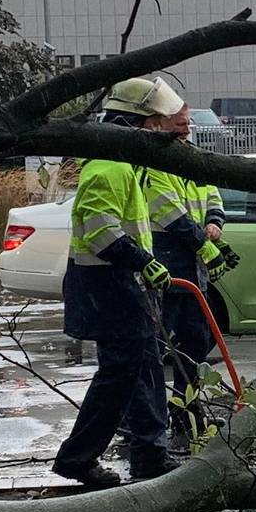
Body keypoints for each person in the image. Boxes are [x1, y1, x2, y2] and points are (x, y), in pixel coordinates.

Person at [50, 78, 188, 490]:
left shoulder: (123, 164)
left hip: (119, 283)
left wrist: (142, 266)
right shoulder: (110, 167)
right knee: (120, 375)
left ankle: (149, 453)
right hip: (108, 284)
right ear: (137, 124)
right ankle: (78, 457)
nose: (161, 131)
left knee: (144, 368)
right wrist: (143, 261)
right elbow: (100, 230)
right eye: (156, 124)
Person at [145, 155, 237, 444]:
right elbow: (171, 216)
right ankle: (142, 420)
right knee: (153, 346)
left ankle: (186, 412)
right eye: (181, 129)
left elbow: (211, 194)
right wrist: (206, 246)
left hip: (191, 264)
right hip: (166, 262)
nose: (187, 134)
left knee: (197, 340)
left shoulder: (191, 160)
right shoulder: (155, 164)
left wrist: (214, 222)